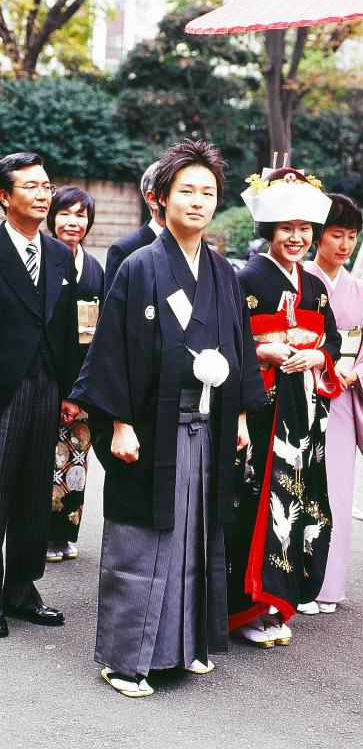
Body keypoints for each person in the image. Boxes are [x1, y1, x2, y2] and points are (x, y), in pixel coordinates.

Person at [71, 139, 265, 697]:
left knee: (195, 537)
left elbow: (238, 347)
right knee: (142, 540)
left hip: (207, 425)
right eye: (188, 191)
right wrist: (120, 423)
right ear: (160, 198)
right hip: (152, 427)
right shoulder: (138, 267)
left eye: (209, 192)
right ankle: (124, 658)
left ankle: (185, 646)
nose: (199, 202)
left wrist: (242, 420)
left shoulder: (224, 271)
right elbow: (113, 351)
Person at [227, 166, 341, 648]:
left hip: (304, 416)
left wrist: (318, 353)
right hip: (262, 411)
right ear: (268, 230)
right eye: (286, 228)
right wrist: (261, 352)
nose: (297, 238)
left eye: (304, 230)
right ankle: (249, 604)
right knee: (261, 505)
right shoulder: (246, 278)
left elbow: (332, 337)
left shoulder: (314, 286)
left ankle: (280, 601)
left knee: (299, 503)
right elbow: (228, 343)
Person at [0, 152, 80, 639]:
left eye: (46, 186)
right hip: (4, 385)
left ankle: (21, 591)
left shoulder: (57, 253)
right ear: (4, 196)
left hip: (47, 384)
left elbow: (67, 327)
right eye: (30, 186)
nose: (42, 194)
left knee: (35, 490)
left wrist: (70, 390)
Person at [305, 193, 363, 612]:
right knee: (297, 487)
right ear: (319, 236)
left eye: (351, 236)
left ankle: (329, 585)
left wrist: (355, 373)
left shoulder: (360, 291)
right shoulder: (299, 280)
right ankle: (296, 581)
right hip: (301, 395)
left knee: (335, 491)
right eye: (337, 235)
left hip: (341, 400)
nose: (344, 245)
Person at [45, 186, 104, 562]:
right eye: (65, 213)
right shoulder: (45, 260)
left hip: (84, 381)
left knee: (76, 460)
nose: (73, 221)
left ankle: (65, 533)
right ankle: (40, 534)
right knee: (46, 460)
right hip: (50, 376)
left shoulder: (95, 267)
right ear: (52, 218)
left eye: (81, 215)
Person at [104, 160, 164, 294]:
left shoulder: (200, 251)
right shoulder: (124, 250)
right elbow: (112, 311)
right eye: (184, 191)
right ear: (153, 199)